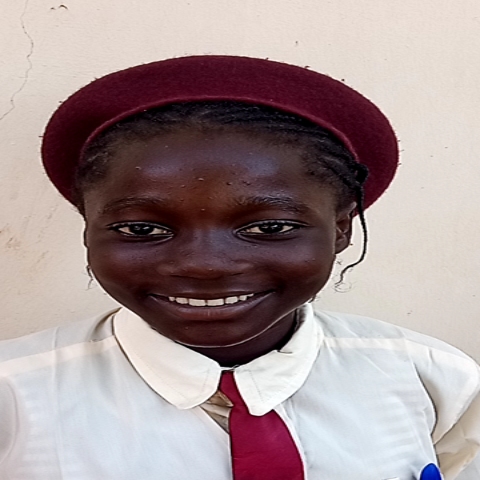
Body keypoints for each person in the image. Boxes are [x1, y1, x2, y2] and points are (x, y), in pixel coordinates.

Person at [0, 55, 478, 480]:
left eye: (270, 227)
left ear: (340, 229)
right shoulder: (13, 397)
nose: (204, 266)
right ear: (89, 230)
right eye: (142, 229)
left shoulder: (432, 379)